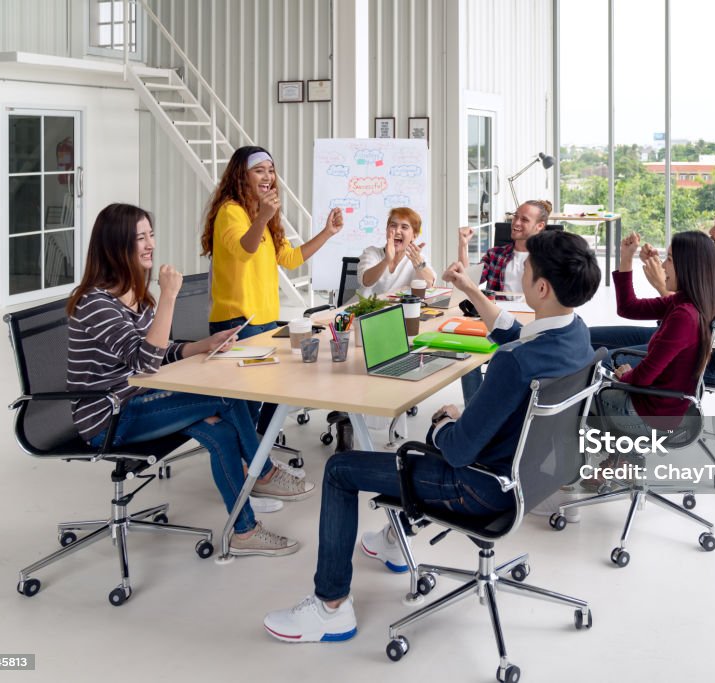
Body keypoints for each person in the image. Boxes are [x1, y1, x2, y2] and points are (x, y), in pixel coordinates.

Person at [262, 230, 602, 643]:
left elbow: (457, 450)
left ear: (542, 287)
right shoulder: (575, 332)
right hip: (529, 476)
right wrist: (471, 291)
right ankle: (392, 540)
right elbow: (518, 334)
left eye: (527, 269)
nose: (523, 272)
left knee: (340, 469)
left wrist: (445, 421)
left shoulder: (515, 364)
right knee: (417, 457)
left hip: (479, 487)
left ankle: (330, 607)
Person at [67, 203, 310, 557]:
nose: (150, 244)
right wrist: (168, 296)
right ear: (115, 246)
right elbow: (145, 362)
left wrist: (202, 345)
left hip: (142, 401)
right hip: (111, 417)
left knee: (223, 432)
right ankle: (265, 474)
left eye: (151, 235)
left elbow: (161, 351)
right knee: (225, 396)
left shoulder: (137, 296)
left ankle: (243, 531)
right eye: (140, 238)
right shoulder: (95, 303)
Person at [200, 145, 343, 437]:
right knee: (250, 401)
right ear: (242, 175)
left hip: (263, 320)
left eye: (271, 170)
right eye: (259, 170)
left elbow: (290, 259)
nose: (268, 176)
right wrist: (263, 217)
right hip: (237, 321)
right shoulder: (230, 212)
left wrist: (327, 233)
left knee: (276, 390)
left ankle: (258, 449)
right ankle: (250, 459)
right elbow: (244, 251)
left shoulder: (261, 215)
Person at [589, 204, 715, 384]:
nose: (711, 231)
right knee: (587, 338)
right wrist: (627, 258)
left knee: (593, 363)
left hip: (699, 357)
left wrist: (662, 285)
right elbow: (629, 307)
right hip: (674, 336)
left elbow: (696, 327)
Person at [599, 230, 715, 431]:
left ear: (689, 267)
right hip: (662, 406)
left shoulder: (684, 315)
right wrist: (626, 257)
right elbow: (628, 307)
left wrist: (627, 374)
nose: (663, 266)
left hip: (648, 414)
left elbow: (642, 377)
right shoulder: (689, 302)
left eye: (670, 260)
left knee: (581, 394)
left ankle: (621, 454)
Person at [457, 199, 552, 405]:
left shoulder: (549, 259)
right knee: (469, 352)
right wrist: (463, 245)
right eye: (515, 217)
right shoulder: (496, 254)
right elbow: (469, 281)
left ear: (539, 226)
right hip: (498, 322)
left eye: (524, 219)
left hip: (531, 327)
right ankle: (473, 410)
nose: (516, 222)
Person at [357, 207, 437, 297]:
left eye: (404, 227)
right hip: (367, 308)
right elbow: (366, 282)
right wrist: (386, 260)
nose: (397, 231)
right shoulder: (372, 252)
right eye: (393, 225)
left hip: (401, 309)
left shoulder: (418, 258)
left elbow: (430, 285)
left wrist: (419, 265)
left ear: (414, 236)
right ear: (387, 230)